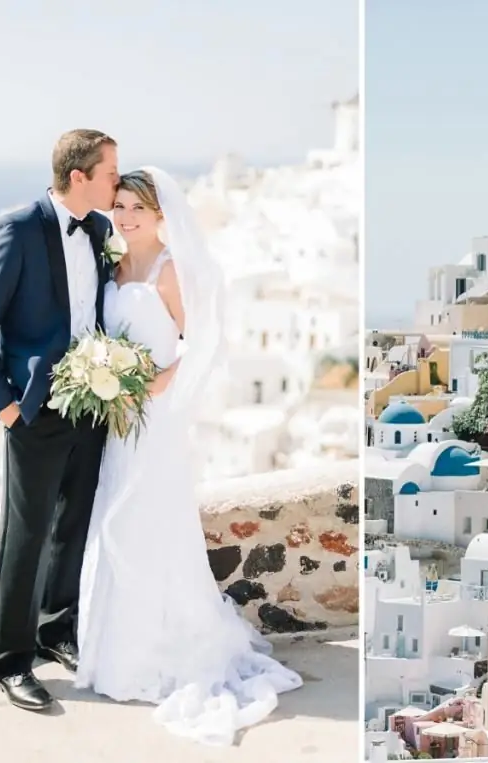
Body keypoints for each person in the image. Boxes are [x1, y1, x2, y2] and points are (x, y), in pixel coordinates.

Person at [74, 167, 302, 746]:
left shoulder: (170, 270)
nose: (125, 217)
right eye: (120, 206)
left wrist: (159, 385)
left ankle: (162, 653)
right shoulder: (113, 262)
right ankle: (114, 654)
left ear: (158, 217)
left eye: (137, 210)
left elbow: (202, 343)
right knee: (115, 524)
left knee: (150, 525)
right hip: (116, 423)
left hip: (154, 424)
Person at [0, 129, 119, 710]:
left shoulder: (101, 231)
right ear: (79, 177)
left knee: (72, 525)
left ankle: (57, 631)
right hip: (34, 410)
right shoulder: (19, 228)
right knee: (24, 536)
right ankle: (12, 663)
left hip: (93, 403)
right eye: (109, 173)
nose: (115, 183)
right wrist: (2, 403)